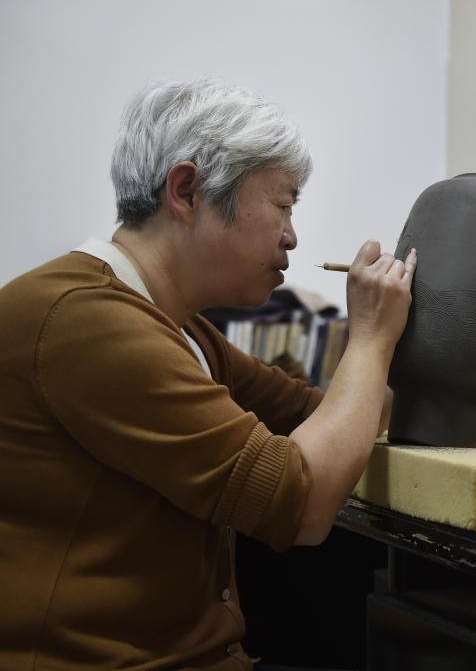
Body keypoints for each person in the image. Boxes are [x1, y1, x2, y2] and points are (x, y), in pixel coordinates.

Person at [0, 78, 416, 669]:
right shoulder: (84, 321)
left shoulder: (181, 327)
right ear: (187, 190)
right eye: (283, 205)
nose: (292, 235)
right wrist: (371, 339)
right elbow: (302, 504)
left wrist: (412, 351)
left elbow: (315, 413)